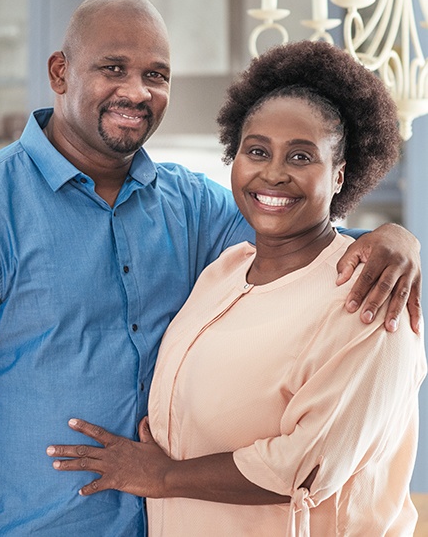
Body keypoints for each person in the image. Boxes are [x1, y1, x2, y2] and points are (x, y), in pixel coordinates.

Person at [0, 0, 421, 537]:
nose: (136, 92)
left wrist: (396, 239)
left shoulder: (190, 207)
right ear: (60, 71)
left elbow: (298, 237)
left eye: (156, 75)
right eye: (113, 68)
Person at [47, 40, 427, 536]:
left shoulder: (370, 302)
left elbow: (304, 468)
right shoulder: (227, 269)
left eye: (301, 156)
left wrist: (162, 474)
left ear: (339, 176)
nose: (273, 172)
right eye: (257, 151)